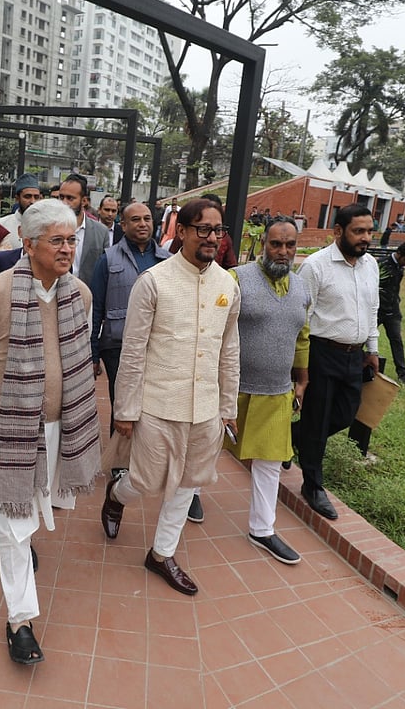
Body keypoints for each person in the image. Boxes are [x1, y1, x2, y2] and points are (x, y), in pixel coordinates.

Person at [0, 199, 102, 666]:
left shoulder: (80, 294)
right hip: (5, 429)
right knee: (13, 527)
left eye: (71, 240)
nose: (67, 249)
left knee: (29, 515)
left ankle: (23, 556)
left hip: (60, 427)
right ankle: (20, 621)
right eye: (57, 240)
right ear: (28, 243)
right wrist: (9, 401)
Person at [100, 198, 241, 595]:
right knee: (144, 481)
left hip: (206, 407)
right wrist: (125, 409)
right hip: (158, 404)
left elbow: (229, 349)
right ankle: (116, 496)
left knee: (188, 483)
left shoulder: (228, 285)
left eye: (217, 230)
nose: (211, 237)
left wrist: (227, 406)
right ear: (181, 231)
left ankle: (162, 554)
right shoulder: (154, 281)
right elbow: (133, 350)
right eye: (203, 229)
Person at [227, 216, 310, 565]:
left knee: (270, 461)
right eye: (276, 244)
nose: (282, 251)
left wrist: (302, 379)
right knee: (204, 450)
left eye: (290, 245)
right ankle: (192, 495)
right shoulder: (237, 279)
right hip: (232, 388)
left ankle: (262, 529)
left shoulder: (302, 288)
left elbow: (302, 337)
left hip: (277, 391)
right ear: (263, 244)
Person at [291, 204, 380, 521]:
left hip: (354, 355)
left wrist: (372, 348)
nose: (365, 237)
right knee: (317, 419)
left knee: (345, 414)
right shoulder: (316, 266)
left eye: (369, 231)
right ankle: (312, 485)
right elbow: (301, 316)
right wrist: (300, 367)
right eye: (359, 231)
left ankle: (292, 438)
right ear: (338, 231)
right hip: (321, 352)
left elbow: (372, 309)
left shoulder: (370, 265)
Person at [90, 201, 171, 434]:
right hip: (117, 346)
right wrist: (93, 353)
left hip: (157, 346)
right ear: (123, 225)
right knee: (122, 405)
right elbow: (96, 309)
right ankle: (118, 454)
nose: (142, 224)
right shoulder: (107, 259)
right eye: (135, 220)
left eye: (147, 219)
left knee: (151, 406)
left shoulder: (167, 260)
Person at [377, 241, 405, 385]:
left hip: (393, 310)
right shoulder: (381, 265)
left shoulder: (400, 266)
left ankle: (403, 374)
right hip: (376, 310)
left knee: (396, 340)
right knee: (363, 338)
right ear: (399, 254)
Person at [57, 174, 109, 279]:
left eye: (70, 198)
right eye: (61, 197)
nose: (64, 203)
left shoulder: (101, 232)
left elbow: (104, 270)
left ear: (84, 201)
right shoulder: (50, 227)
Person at [0, 174, 42, 249]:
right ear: (17, 199)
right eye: (27, 197)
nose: (32, 201)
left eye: (36, 197)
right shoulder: (2, 225)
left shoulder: (46, 225)